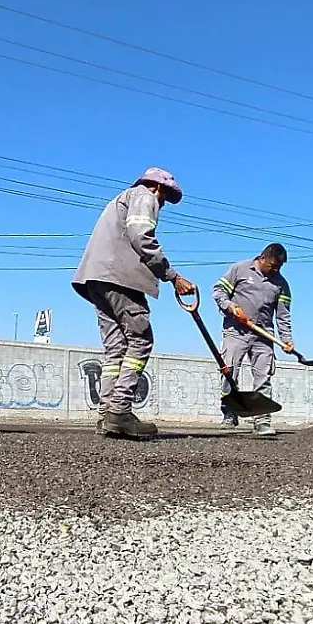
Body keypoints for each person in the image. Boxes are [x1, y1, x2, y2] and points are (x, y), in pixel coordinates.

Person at [72, 167, 195, 439]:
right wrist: (172, 276)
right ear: (158, 187)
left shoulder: (121, 199)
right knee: (141, 340)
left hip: (96, 278)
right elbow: (141, 235)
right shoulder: (144, 196)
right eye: (165, 199)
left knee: (116, 347)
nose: (162, 204)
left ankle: (107, 414)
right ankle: (120, 410)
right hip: (120, 278)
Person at [212, 243, 293, 436]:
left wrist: (287, 339)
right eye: (273, 265)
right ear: (263, 258)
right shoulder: (240, 269)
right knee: (229, 372)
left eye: (279, 267)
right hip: (235, 332)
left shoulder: (281, 284)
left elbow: (283, 316)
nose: (275, 270)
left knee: (263, 378)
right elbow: (218, 291)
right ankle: (230, 412)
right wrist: (231, 307)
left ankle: (262, 420)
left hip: (264, 335)